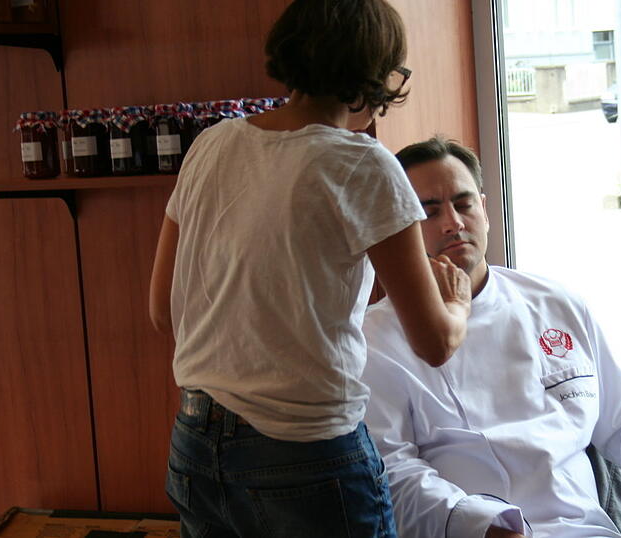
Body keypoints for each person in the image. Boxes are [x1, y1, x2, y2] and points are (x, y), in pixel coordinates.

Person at [147, 2, 472, 536]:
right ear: (375, 75)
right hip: (306, 452)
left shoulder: (212, 144)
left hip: (196, 444)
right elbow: (435, 342)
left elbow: (164, 312)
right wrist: (456, 303)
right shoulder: (362, 163)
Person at [361, 136, 621, 538]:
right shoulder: (378, 337)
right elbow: (393, 474)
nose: (453, 223)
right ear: (402, 229)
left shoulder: (553, 302)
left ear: (486, 210)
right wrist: (487, 526)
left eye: (463, 203)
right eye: (429, 210)